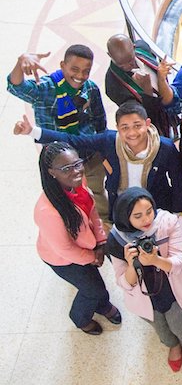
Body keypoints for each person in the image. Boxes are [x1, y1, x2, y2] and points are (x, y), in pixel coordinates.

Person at [16, 101, 182, 218]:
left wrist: (176, 211)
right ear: (118, 128)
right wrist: (33, 131)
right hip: (121, 203)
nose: (132, 133)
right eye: (125, 128)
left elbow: (177, 180)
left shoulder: (165, 147)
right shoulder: (109, 141)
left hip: (155, 203)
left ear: (147, 123)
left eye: (137, 126)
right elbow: (73, 140)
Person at [107, 187, 182, 372]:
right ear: (124, 217)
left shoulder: (166, 222)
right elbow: (122, 282)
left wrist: (155, 260)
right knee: (160, 327)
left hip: (173, 290)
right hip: (144, 297)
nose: (146, 220)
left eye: (148, 211)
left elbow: (179, 262)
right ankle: (172, 345)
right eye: (137, 216)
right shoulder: (116, 239)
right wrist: (131, 265)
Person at [7, 44, 109, 221]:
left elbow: (100, 121)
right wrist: (21, 61)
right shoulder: (45, 89)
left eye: (86, 71)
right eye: (74, 69)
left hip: (89, 156)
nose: (80, 76)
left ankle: (104, 225)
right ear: (63, 65)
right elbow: (16, 86)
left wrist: (104, 151)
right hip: (61, 164)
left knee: (97, 192)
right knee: (65, 199)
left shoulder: (90, 88)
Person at [34, 142, 121, 335]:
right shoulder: (47, 211)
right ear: (51, 172)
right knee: (92, 289)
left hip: (86, 246)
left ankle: (103, 305)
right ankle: (80, 319)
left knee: (95, 283)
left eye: (77, 164)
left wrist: (100, 242)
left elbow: (93, 213)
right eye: (66, 168)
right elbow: (65, 249)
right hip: (63, 260)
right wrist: (93, 258)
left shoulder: (76, 184)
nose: (76, 171)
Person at [105, 35, 180, 138]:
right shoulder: (112, 84)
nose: (128, 66)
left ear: (134, 47)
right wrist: (147, 92)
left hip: (170, 112)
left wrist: (162, 75)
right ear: (110, 55)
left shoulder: (143, 47)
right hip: (154, 128)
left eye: (130, 60)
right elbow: (139, 115)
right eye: (121, 65)